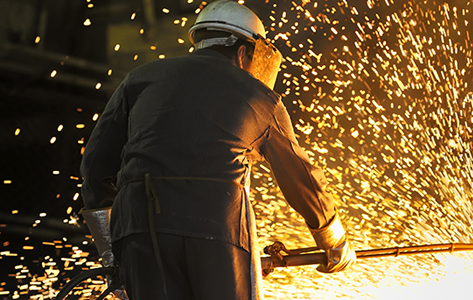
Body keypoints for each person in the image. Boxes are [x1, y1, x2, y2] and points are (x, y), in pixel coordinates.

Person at [79, 1, 356, 299]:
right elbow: (301, 179)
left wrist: (111, 254)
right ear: (243, 51)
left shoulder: (139, 79)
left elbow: (94, 169)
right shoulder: (260, 97)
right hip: (217, 227)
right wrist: (333, 240)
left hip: (138, 230)